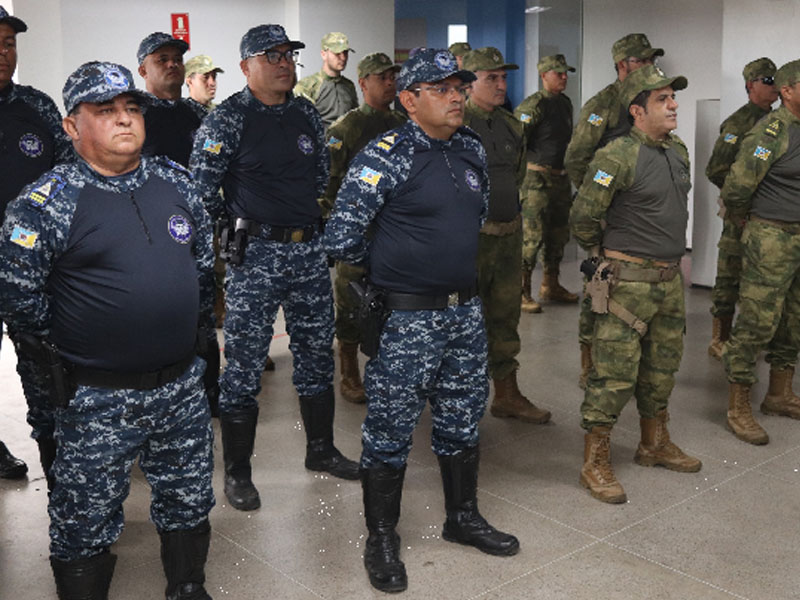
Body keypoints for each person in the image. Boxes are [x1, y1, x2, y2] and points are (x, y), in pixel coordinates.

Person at [0, 61, 216, 599]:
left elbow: (204, 269)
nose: (125, 120)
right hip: (96, 396)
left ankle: (187, 587)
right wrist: (87, 344)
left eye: (131, 108)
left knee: (188, 498)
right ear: (72, 126)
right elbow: (20, 302)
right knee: (83, 520)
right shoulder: (43, 205)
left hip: (180, 387)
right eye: (105, 111)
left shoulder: (176, 182)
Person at [324, 48, 519, 594]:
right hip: (407, 316)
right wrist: (394, 268)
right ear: (409, 100)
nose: (457, 95)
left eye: (459, 86)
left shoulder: (470, 148)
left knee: (461, 417)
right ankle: (381, 536)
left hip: (465, 311)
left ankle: (463, 517)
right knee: (389, 428)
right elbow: (341, 236)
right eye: (441, 88)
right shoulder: (383, 155)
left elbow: (476, 219)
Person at [190, 24, 359, 513]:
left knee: (314, 355)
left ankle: (321, 451)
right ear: (246, 67)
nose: (284, 63)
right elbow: (200, 194)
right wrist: (232, 235)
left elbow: (319, 179)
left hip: (307, 252)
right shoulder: (227, 121)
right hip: (256, 256)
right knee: (243, 365)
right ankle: (239, 473)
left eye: (288, 55)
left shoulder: (305, 112)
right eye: (272, 56)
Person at [570, 64, 701, 504]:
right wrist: (602, 258)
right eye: (663, 99)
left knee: (662, 369)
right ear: (636, 110)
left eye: (673, 97)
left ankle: (654, 442)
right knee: (613, 373)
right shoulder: (615, 155)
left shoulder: (677, 150)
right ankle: (596, 458)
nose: (674, 105)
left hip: (668, 280)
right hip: (627, 282)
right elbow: (584, 216)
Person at [564, 33, 664, 390]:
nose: (651, 67)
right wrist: (598, 198)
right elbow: (576, 158)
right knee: (598, 286)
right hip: (609, 213)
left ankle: (633, 360)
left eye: (652, 60)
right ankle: (589, 361)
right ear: (623, 66)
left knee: (637, 289)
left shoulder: (651, 102)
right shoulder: (603, 104)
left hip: (640, 217)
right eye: (643, 61)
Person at [0, 5, 73, 491]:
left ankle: (63, 471)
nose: (3, 53)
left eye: (9, 43)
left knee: (43, 363)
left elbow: (70, 176)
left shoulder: (39, 106)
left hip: (35, 265)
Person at [462, 47, 550, 424]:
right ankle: (460, 400)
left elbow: (515, 177)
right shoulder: (456, 125)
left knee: (504, 316)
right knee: (463, 319)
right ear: (469, 84)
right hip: (470, 240)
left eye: (503, 77)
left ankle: (507, 394)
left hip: (508, 235)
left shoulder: (513, 125)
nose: (501, 85)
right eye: (491, 78)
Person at [721, 59, 800, 446]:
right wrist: (746, 221)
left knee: (793, 318)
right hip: (771, 237)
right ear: (788, 91)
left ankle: (780, 394)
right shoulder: (770, 132)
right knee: (757, 321)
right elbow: (736, 186)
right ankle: (738, 405)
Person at [322, 51, 405, 404]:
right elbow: (327, 185)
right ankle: (349, 370)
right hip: (358, 231)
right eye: (381, 77)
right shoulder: (345, 129)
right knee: (351, 302)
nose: (389, 82)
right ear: (363, 83)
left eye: (392, 77)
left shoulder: (405, 125)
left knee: (395, 302)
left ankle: (390, 367)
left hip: (396, 232)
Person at [706, 58, 778, 358]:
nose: (773, 86)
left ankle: (756, 335)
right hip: (741, 215)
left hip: (769, 215)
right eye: (766, 80)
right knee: (730, 274)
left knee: (763, 276)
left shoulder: (778, 122)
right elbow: (716, 169)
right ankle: (719, 338)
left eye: (775, 80)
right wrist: (740, 199)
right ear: (750, 85)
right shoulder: (738, 124)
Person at [515, 54, 577, 313]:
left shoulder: (564, 103)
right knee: (532, 236)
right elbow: (517, 142)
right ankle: (521, 291)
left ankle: (550, 285)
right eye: (558, 72)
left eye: (566, 73)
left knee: (558, 234)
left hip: (560, 178)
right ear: (544, 75)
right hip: (536, 179)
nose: (564, 77)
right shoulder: (533, 105)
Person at [137, 32, 201, 166]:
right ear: (143, 71)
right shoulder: (134, 116)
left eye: (178, 59)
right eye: (162, 60)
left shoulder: (199, 113)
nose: (172, 64)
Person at [294, 31, 358, 131]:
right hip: (319, 143)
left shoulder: (349, 86)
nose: (343, 58)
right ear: (324, 54)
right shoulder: (307, 86)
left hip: (347, 144)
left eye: (345, 52)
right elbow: (300, 125)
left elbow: (355, 121)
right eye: (337, 53)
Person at [184, 54, 224, 119]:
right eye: (205, 77)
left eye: (214, 77)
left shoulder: (222, 112)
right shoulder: (181, 114)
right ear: (190, 81)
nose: (212, 83)